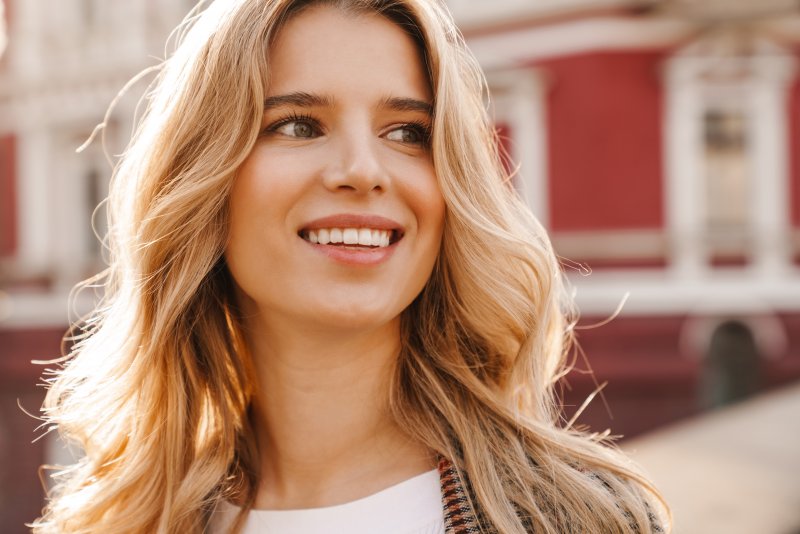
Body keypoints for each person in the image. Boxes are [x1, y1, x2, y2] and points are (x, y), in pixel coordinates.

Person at [33, 0, 669, 532]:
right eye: (300, 125)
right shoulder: (114, 520)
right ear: (203, 180)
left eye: (407, 133)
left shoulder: (578, 519)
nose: (364, 170)